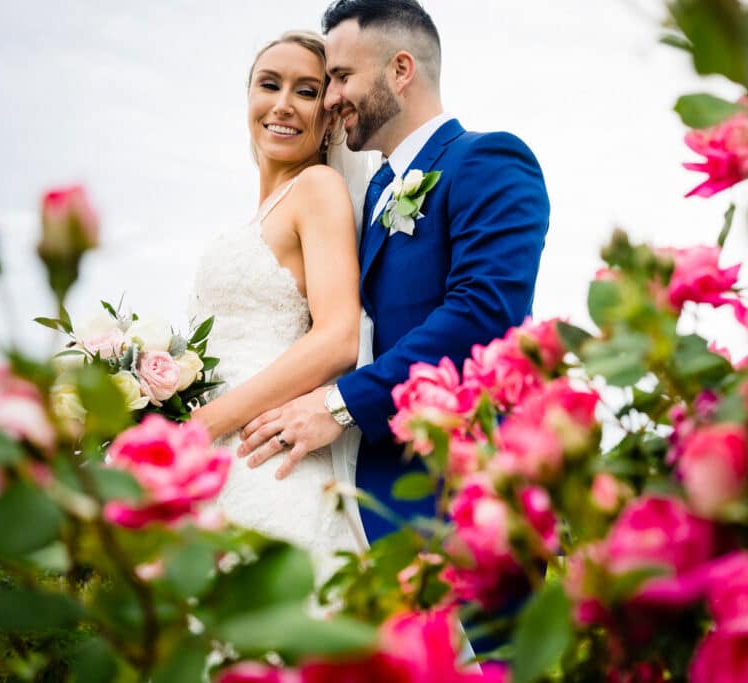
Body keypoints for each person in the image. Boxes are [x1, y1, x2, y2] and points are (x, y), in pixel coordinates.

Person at [237, 0, 550, 543]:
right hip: (372, 493)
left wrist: (338, 406)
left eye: (340, 77)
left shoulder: (489, 160)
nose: (332, 99)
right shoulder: (373, 192)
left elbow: (483, 314)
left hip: (467, 490)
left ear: (400, 70)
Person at [189, 30, 377, 563]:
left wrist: (207, 424)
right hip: (220, 463)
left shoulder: (317, 188)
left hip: (265, 460)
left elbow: (338, 338)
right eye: (269, 85)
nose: (283, 105)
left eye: (306, 91)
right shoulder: (259, 216)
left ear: (329, 115)